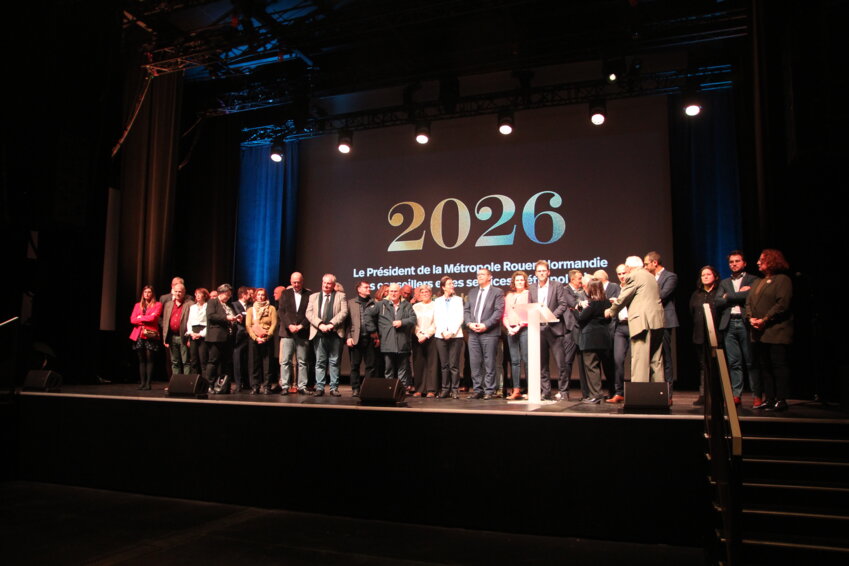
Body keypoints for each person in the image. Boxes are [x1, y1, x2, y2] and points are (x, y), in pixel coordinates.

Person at [605, 256, 665, 384]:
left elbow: (623, 297)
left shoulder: (635, 276)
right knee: (656, 360)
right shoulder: (650, 276)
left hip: (642, 322)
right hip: (657, 321)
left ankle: (640, 396)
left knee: (640, 360)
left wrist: (611, 311)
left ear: (629, 267)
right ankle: (659, 394)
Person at [746, 249, 793, 412]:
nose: (758, 262)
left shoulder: (782, 280)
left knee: (778, 365)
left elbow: (782, 304)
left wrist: (765, 320)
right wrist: (750, 317)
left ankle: (781, 399)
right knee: (764, 366)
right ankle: (770, 398)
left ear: (772, 261)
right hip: (759, 332)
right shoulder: (758, 281)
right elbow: (749, 302)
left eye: (761, 260)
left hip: (775, 330)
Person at [715, 251, 762, 408]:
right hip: (729, 324)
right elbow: (717, 302)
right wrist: (738, 295)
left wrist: (728, 296)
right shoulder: (724, 282)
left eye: (737, 261)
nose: (734, 264)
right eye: (731, 262)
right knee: (734, 362)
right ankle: (736, 395)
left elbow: (751, 297)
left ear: (744, 263)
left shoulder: (754, 280)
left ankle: (757, 395)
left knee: (751, 361)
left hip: (745, 323)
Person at [528, 260, 569, 400]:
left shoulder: (557, 285)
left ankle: (563, 391)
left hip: (554, 328)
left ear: (548, 272)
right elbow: (530, 306)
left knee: (560, 363)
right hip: (538, 329)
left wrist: (550, 316)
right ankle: (546, 392)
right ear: (535, 273)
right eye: (539, 271)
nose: (541, 273)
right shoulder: (532, 288)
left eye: (544, 271)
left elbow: (563, 304)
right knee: (542, 364)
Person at [463, 268, 506, 400]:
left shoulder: (497, 292)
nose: (479, 276)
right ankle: (478, 390)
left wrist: (485, 325)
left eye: (482, 274)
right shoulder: (472, 292)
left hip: (490, 332)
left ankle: (489, 390)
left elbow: (498, 312)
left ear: (490, 277)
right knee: (475, 363)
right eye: (478, 275)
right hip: (473, 332)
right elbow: (467, 310)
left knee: (489, 362)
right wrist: (469, 323)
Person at [305, 274, 348, 396]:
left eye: (329, 283)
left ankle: (334, 388)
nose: (326, 285)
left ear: (334, 285)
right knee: (320, 361)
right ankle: (320, 387)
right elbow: (309, 313)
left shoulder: (341, 296)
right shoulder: (313, 297)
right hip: (319, 333)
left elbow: (344, 312)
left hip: (334, 333)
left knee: (334, 361)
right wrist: (320, 325)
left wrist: (331, 324)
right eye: (324, 282)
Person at [368, 283, 417, 384]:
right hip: (388, 342)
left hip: (402, 342)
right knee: (389, 370)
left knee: (402, 370)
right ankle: (388, 392)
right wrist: (372, 330)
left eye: (395, 291)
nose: (393, 293)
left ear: (400, 293)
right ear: (388, 292)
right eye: (391, 291)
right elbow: (367, 314)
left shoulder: (407, 305)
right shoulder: (381, 304)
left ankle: (401, 391)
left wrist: (402, 322)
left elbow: (413, 319)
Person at [644, 251, 679, 394]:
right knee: (651, 356)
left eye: (646, 264)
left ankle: (668, 391)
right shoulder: (648, 277)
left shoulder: (670, 276)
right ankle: (652, 389)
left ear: (655, 263)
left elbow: (663, 295)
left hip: (664, 320)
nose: (645, 267)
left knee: (664, 355)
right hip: (648, 320)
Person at [576, 280, 612, 403]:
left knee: (592, 367)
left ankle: (596, 395)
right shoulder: (607, 302)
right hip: (604, 337)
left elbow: (581, 318)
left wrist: (578, 308)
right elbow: (608, 320)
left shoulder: (592, 304)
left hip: (590, 339)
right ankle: (603, 395)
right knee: (604, 366)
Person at [689, 266, 721, 406]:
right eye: (703, 275)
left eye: (708, 274)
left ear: (715, 276)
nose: (705, 277)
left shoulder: (719, 292)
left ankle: (718, 395)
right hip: (700, 334)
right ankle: (703, 394)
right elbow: (692, 312)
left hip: (716, 335)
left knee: (717, 365)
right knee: (703, 366)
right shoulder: (696, 294)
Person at [278, 272, 312, 395]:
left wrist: (302, 325)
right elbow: (281, 312)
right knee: (285, 360)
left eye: (298, 282)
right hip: (287, 332)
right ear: (291, 281)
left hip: (302, 332)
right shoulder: (285, 293)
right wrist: (290, 325)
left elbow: (310, 313)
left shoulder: (309, 294)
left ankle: (302, 386)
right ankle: (285, 386)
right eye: (294, 282)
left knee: (302, 361)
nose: (296, 284)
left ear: (302, 281)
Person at [433, 276, 464, 399]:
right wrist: (442, 332)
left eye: (452, 283)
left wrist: (451, 331)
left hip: (455, 335)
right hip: (440, 336)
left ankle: (455, 389)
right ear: (443, 287)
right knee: (444, 365)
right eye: (449, 284)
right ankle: (445, 389)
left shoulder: (458, 300)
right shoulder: (437, 301)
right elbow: (436, 318)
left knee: (454, 365)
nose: (452, 285)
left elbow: (460, 317)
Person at [346, 280, 378, 397]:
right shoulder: (351, 303)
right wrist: (348, 337)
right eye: (366, 287)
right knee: (355, 365)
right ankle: (355, 388)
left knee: (370, 365)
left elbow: (377, 322)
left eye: (369, 287)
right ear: (359, 289)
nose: (368, 289)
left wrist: (377, 337)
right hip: (356, 338)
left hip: (370, 338)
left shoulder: (373, 302)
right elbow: (347, 323)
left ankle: (367, 387)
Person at [205, 284, 239, 393]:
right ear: (221, 293)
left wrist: (236, 319)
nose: (228, 297)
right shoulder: (213, 302)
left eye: (230, 295)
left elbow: (231, 317)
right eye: (227, 294)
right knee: (213, 361)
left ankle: (223, 385)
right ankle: (209, 384)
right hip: (216, 336)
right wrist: (226, 318)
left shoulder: (228, 306)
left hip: (227, 338)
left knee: (226, 363)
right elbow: (211, 316)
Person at [129, 285, 163, 390]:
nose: (147, 294)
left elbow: (153, 318)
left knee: (150, 359)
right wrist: (142, 319)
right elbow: (132, 320)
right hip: (138, 334)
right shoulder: (137, 305)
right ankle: (142, 383)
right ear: (142, 294)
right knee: (141, 359)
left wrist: (140, 318)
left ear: (152, 293)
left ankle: (148, 383)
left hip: (150, 334)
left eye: (149, 292)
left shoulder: (158, 304)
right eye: (145, 292)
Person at [503, 270, 530, 400]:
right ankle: (516, 390)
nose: (519, 282)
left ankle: (531, 390)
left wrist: (519, 326)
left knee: (526, 360)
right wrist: (509, 327)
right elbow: (505, 315)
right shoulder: (509, 296)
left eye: (521, 280)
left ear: (525, 282)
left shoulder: (529, 295)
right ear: (514, 282)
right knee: (514, 361)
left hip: (524, 329)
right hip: (511, 330)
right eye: (517, 280)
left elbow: (531, 313)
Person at [246, 288, 278, 394]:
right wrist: (256, 337)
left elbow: (274, 323)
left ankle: (267, 386)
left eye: (263, 295)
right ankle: (255, 386)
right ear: (255, 296)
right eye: (258, 295)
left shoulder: (271, 308)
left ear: (266, 296)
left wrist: (267, 336)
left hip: (267, 338)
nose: (260, 297)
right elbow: (248, 325)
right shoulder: (251, 310)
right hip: (255, 339)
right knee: (254, 363)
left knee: (267, 363)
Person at [607, 264, 629, 403]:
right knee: (618, 360)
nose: (622, 276)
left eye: (624, 273)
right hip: (620, 327)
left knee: (638, 361)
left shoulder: (634, 286)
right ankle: (619, 392)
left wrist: (620, 302)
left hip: (634, 325)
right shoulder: (616, 288)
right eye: (619, 274)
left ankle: (639, 391)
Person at [161, 283, 193, 376]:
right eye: (176, 291)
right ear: (172, 292)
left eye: (180, 291)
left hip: (184, 337)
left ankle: (186, 384)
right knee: (175, 362)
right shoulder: (168, 304)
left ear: (184, 292)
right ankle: (176, 383)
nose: (178, 293)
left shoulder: (190, 304)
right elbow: (165, 321)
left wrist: (190, 338)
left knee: (186, 361)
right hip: (172, 337)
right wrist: (165, 339)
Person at [412, 285, 438, 397]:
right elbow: (413, 322)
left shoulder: (436, 305)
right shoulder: (415, 306)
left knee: (432, 364)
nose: (425, 294)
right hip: (418, 337)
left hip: (432, 337)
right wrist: (418, 333)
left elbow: (436, 322)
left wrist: (427, 334)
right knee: (419, 363)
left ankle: (431, 389)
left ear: (431, 293)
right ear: (419, 294)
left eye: (427, 292)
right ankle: (419, 389)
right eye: (422, 292)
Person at [185, 288, 210, 375]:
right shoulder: (193, 307)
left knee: (203, 359)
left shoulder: (208, 306)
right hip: (193, 333)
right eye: (196, 294)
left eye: (200, 294)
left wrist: (200, 334)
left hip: (203, 333)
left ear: (205, 295)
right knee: (193, 360)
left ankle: (205, 383)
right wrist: (191, 333)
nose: (198, 296)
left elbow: (209, 323)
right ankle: (193, 383)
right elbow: (189, 322)